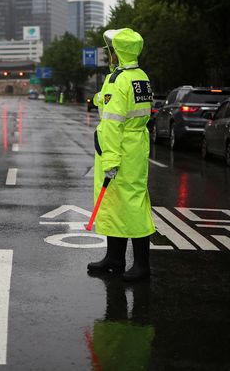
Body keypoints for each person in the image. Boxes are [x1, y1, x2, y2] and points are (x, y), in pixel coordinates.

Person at [88, 28, 155, 281]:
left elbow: (114, 122)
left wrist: (111, 160)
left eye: (112, 50)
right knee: (117, 203)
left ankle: (141, 265)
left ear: (119, 52)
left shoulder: (118, 81)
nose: (110, 54)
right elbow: (126, 107)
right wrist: (99, 98)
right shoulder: (139, 77)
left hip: (120, 151)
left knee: (131, 205)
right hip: (135, 147)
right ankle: (114, 258)